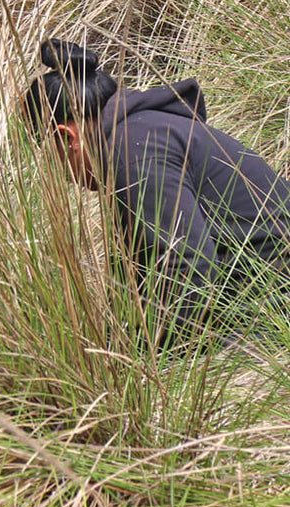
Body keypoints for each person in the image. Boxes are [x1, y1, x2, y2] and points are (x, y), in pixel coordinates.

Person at [24, 38, 290, 345]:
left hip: (273, 310)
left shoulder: (134, 150)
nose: (63, 176)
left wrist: (136, 358)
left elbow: (188, 266)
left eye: (49, 156)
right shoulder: (142, 130)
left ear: (66, 136)